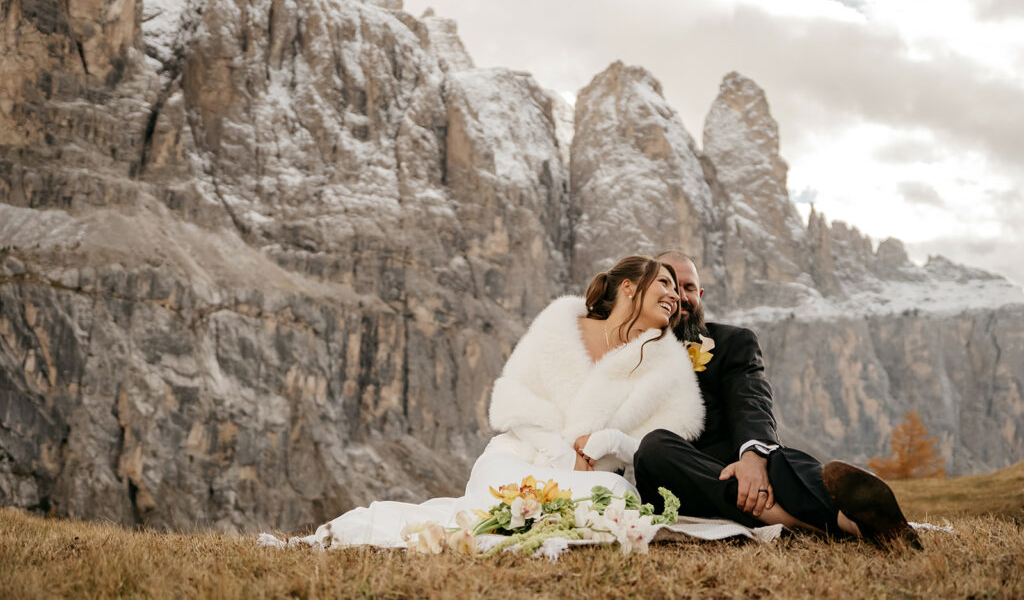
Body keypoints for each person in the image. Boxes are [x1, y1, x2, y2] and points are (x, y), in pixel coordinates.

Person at [311, 255, 706, 548]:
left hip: (587, 481)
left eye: (678, 288)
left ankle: (524, 525)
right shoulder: (560, 324)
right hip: (518, 457)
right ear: (629, 287)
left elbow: (662, 447)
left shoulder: (667, 364)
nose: (675, 296)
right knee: (499, 486)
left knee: (620, 496)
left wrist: (611, 444)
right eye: (665, 284)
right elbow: (515, 399)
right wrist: (557, 450)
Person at [633, 251, 921, 548]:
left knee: (778, 458)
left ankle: (864, 518)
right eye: (669, 286)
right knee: (654, 448)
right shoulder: (627, 350)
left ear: (701, 294)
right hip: (672, 476)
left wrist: (752, 456)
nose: (681, 296)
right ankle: (822, 522)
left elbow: (751, 398)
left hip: (734, 462)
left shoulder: (732, 342)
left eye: (689, 288)